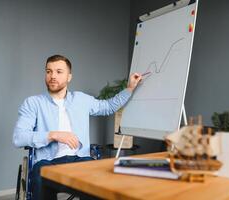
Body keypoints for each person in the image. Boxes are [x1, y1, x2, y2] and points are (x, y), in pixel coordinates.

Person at [12, 55, 142, 200]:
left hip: (80, 159)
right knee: (40, 175)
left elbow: (108, 106)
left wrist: (129, 88)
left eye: (59, 72)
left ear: (69, 77)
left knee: (99, 177)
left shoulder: (81, 99)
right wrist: (54, 135)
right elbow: (19, 137)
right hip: (48, 161)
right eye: (49, 71)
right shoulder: (33, 103)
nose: (52, 76)